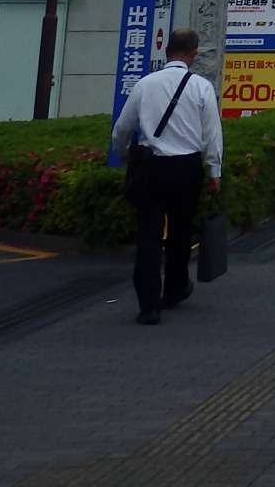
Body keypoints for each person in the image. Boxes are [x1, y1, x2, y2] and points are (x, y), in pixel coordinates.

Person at [111, 29, 223, 326]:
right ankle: (174, 289)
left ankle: (149, 307)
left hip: (152, 168)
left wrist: (123, 153)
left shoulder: (145, 84)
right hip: (187, 168)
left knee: (148, 235)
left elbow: (122, 128)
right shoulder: (201, 87)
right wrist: (215, 170)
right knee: (180, 231)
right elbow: (212, 133)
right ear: (193, 53)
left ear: (166, 51)